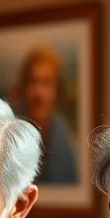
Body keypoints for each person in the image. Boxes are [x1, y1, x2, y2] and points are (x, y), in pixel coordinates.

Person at [10, 46, 79, 185]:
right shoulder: (9, 133)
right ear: (23, 87)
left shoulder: (64, 136)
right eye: (33, 82)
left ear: (57, 90)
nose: (39, 93)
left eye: (47, 83)